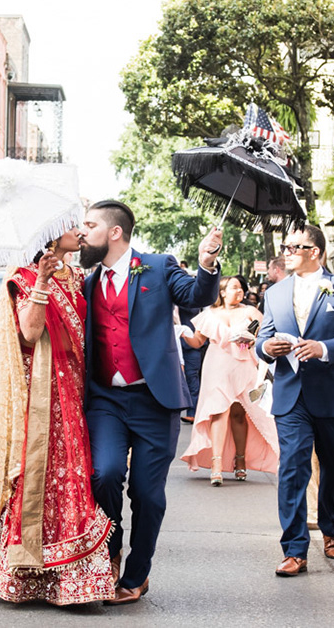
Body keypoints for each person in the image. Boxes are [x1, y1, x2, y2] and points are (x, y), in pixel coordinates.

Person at [0, 229, 119, 605]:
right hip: (39, 394)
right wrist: (44, 281)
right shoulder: (23, 277)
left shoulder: (81, 278)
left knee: (74, 473)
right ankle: (26, 570)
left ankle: (72, 577)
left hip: (77, 388)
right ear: (48, 235)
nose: (80, 231)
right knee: (35, 472)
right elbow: (29, 334)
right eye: (70, 225)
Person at [79, 201, 222, 604]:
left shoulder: (157, 266)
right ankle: (108, 554)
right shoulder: (87, 282)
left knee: (146, 492)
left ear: (114, 233)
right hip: (105, 397)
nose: (83, 232)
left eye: (89, 225)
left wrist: (207, 263)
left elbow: (196, 296)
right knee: (103, 475)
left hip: (154, 398)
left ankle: (136, 576)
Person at [257, 225, 334, 577]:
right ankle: (294, 549)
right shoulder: (275, 293)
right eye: (286, 246)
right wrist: (266, 347)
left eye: (295, 247)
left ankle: (331, 528)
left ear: (315, 252)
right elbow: (263, 337)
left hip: (332, 394)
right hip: (291, 395)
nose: (286, 251)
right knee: (292, 468)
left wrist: (323, 348)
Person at [180, 275, 278, 485]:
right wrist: (183, 332)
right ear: (222, 292)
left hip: (243, 366)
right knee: (218, 412)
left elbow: (263, 338)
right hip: (217, 366)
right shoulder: (209, 314)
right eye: (234, 287)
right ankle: (216, 465)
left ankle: (240, 460)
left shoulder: (251, 312)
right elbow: (198, 342)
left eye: (241, 288)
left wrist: (252, 341)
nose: (239, 291)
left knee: (239, 414)